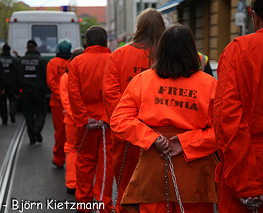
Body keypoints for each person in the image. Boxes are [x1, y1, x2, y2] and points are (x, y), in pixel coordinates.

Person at [110, 24, 218, 213]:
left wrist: (153, 139)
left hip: (154, 166)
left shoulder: (142, 80)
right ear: (192, 50)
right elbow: (224, 130)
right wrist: (186, 143)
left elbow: (119, 119)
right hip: (194, 170)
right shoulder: (210, 84)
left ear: (161, 50)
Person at [213, 0, 263, 212]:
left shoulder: (240, 50)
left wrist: (245, 182)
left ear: (254, 16)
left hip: (253, 166)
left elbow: (226, 119)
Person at [103, 8, 165, 213]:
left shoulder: (120, 55)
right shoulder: (166, 56)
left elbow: (111, 94)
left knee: (125, 184)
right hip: (159, 136)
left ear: (138, 28)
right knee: (156, 189)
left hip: (127, 136)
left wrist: (128, 125)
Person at [68, 26, 113, 212]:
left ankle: (84, 204)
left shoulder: (77, 62)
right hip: (108, 122)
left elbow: (74, 93)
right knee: (106, 164)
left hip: (85, 123)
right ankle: (104, 204)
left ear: (86, 42)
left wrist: (85, 118)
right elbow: (116, 91)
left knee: (85, 162)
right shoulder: (114, 60)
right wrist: (109, 116)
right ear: (106, 42)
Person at [59, 47, 84, 194]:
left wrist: (75, 116)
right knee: (86, 153)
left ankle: (71, 183)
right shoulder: (86, 75)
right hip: (87, 121)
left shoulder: (65, 77)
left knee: (71, 149)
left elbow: (65, 100)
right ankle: (84, 184)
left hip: (71, 120)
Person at [15, 40, 47, 144]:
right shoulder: (42, 61)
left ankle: (31, 137)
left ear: (27, 48)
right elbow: (46, 76)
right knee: (41, 111)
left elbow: (15, 77)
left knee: (28, 114)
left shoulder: (20, 61)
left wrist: (16, 91)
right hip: (38, 91)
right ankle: (37, 128)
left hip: (25, 91)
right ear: (36, 48)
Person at [46, 38, 72, 168]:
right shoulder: (74, 61)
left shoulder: (52, 63)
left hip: (57, 104)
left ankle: (59, 158)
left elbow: (51, 82)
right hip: (72, 103)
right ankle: (72, 157)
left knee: (60, 132)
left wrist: (60, 95)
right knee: (72, 133)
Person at [0, 43, 17, 124]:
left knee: (2, 102)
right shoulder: (13, 60)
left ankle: (4, 119)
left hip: (1, 83)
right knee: (12, 99)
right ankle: (12, 111)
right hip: (11, 83)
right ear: (9, 51)